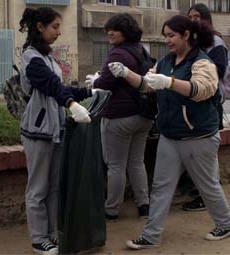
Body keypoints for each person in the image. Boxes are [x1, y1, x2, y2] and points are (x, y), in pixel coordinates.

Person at [108, 15, 230, 249]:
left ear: (186, 35)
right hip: (170, 135)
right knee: (161, 186)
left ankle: (225, 224)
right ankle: (151, 235)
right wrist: (125, 72)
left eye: (171, 35)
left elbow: (202, 90)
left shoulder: (202, 61)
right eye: (165, 36)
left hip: (198, 136)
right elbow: (147, 83)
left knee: (207, 185)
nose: (167, 40)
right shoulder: (167, 61)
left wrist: (169, 82)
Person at [19, 7, 95, 255]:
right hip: (38, 131)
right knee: (38, 188)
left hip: (55, 130)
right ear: (39, 27)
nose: (58, 32)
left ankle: (51, 235)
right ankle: (38, 238)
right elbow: (51, 86)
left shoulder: (48, 57)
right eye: (55, 27)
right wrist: (71, 105)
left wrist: (87, 92)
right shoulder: (32, 57)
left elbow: (61, 88)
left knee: (53, 188)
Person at [85, 13, 152, 221]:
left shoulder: (117, 54)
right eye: (108, 29)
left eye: (115, 29)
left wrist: (95, 81)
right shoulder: (141, 50)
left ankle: (111, 210)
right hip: (143, 115)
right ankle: (144, 206)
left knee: (115, 165)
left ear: (126, 31)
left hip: (119, 116)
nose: (110, 33)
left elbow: (105, 83)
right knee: (136, 162)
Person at [180, 2, 229, 212]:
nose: (193, 20)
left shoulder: (215, 42)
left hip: (210, 102)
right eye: (190, 17)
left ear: (206, 18)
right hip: (194, 102)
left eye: (197, 16)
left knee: (208, 152)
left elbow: (218, 72)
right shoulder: (192, 41)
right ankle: (201, 190)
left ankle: (206, 197)